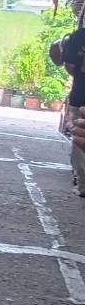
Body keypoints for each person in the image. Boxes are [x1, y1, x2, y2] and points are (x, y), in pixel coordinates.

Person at [52, 26, 85, 196]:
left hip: (80, 96)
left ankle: (83, 185)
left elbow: (69, 65)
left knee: (80, 139)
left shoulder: (80, 36)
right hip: (80, 97)